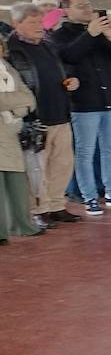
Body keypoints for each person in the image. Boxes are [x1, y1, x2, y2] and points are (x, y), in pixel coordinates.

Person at [47, 0, 111, 214]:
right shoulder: (60, 35)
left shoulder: (98, 32)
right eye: (80, 6)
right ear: (65, 10)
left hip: (109, 99)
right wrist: (90, 34)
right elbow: (69, 55)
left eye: (88, 5)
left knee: (110, 149)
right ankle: (88, 197)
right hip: (84, 102)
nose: (87, 9)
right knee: (85, 151)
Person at [8, 3, 79, 224]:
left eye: (40, 21)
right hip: (35, 118)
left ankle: (57, 204)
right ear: (16, 24)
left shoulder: (48, 44)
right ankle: (38, 209)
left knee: (62, 164)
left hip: (60, 112)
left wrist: (72, 81)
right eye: (32, 23)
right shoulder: (11, 49)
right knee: (37, 168)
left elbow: (59, 70)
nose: (39, 26)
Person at [0, 38, 43, 244]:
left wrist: (14, 109)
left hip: (11, 130)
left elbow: (30, 99)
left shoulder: (10, 70)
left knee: (17, 182)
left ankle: (22, 224)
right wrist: (17, 102)